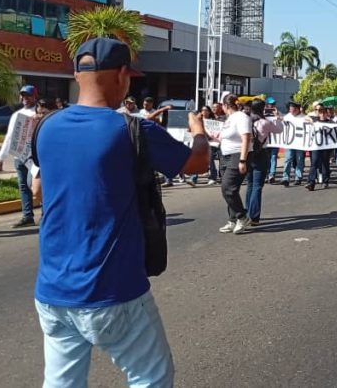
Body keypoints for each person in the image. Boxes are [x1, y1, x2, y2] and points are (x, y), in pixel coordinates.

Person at [33, 37, 209, 387]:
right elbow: (198, 163)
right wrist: (198, 130)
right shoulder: (132, 130)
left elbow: (38, 190)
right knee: (152, 377)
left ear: (77, 75)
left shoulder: (46, 126)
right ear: (121, 75)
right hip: (111, 290)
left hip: (52, 292)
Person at [0, 85, 39, 228]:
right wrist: (1, 159)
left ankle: (46, 214)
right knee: (23, 186)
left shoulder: (40, 113)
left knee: (33, 185)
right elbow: (9, 137)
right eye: (23, 95)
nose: (25, 98)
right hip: (19, 157)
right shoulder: (16, 115)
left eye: (28, 95)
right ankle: (27, 216)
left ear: (35, 97)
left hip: (34, 158)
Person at [215, 94, 253, 234]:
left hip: (237, 155)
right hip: (225, 155)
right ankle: (232, 220)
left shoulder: (242, 117)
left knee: (228, 188)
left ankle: (242, 217)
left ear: (226, 105)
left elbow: (246, 138)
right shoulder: (229, 119)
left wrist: (242, 160)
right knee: (230, 190)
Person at [245, 99, 284, 224]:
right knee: (257, 186)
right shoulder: (265, 122)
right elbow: (279, 129)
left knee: (250, 184)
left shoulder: (246, 121)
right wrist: (277, 118)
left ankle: (247, 213)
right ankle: (254, 216)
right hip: (261, 153)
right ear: (263, 109)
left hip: (248, 153)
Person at [306, 106, 334, 191]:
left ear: (326, 114)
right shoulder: (315, 120)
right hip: (316, 146)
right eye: (320, 112)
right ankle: (311, 182)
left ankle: (325, 181)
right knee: (314, 163)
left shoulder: (330, 122)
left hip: (326, 146)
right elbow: (305, 117)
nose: (322, 114)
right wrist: (311, 120)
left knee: (325, 163)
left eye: (324, 112)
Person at [281, 101, 305, 186]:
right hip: (289, 143)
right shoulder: (287, 117)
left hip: (300, 143)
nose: (291, 111)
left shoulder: (304, 118)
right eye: (290, 109)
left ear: (298, 109)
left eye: (293, 109)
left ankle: (298, 177)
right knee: (287, 159)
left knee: (299, 160)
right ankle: (285, 178)